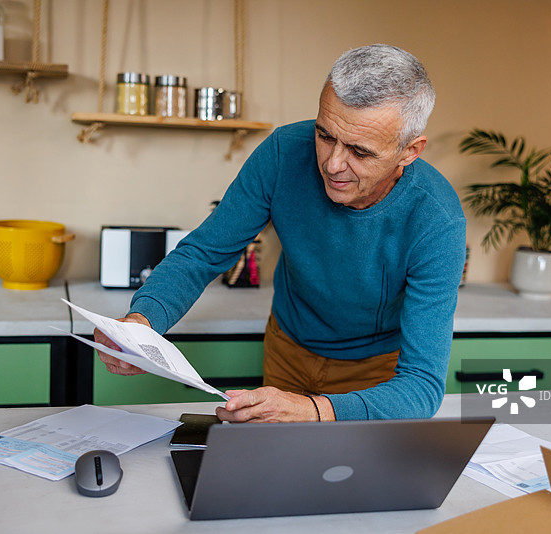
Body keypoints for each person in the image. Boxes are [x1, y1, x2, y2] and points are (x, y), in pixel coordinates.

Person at [95, 44, 466, 423]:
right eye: (325, 135)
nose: (333, 164)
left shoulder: (438, 220)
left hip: (376, 377)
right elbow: (203, 253)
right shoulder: (283, 153)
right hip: (287, 349)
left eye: (360, 151)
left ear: (409, 151)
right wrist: (142, 322)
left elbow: (421, 384)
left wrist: (314, 410)